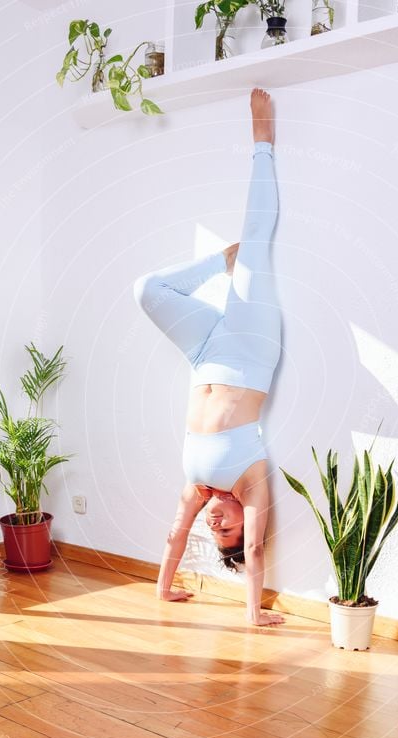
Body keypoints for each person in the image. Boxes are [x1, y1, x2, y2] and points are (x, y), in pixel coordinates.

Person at [133, 88, 285, 626]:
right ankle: (262, 142)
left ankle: (219, 263)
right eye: (228, 530)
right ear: (246, 520)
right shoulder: (249, 481)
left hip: (202, 353)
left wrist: (162, 590)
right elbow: (259, 555)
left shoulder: (197, 488)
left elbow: (175, 532)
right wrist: (252, 615)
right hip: (248, 348)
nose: (215, 522)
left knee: (147, 291)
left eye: (214, 529)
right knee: (257, 241)